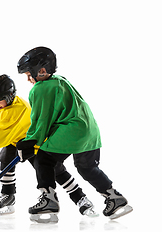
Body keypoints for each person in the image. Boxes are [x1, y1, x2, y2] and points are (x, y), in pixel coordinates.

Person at [16, 47, 133, 222]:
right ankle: (114, 198)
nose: (28, 79)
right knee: (87, 168)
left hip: (70, 131)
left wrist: (30, 141)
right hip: (89, 131)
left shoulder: (40, 89)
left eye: (28, 74)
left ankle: (48, 200)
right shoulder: (61, 80)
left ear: (41, 70)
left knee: (43, 159)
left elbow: (42, 119)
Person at [0, 74, 97, 217]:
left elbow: (3, 134)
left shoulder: (17, 109)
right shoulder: (7, 106)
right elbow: (6, 130)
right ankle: (8, 195)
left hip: (33, 143)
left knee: (53, 170)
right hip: (16, 141)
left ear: (9, 96)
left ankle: (80, 197)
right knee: (6, 161)